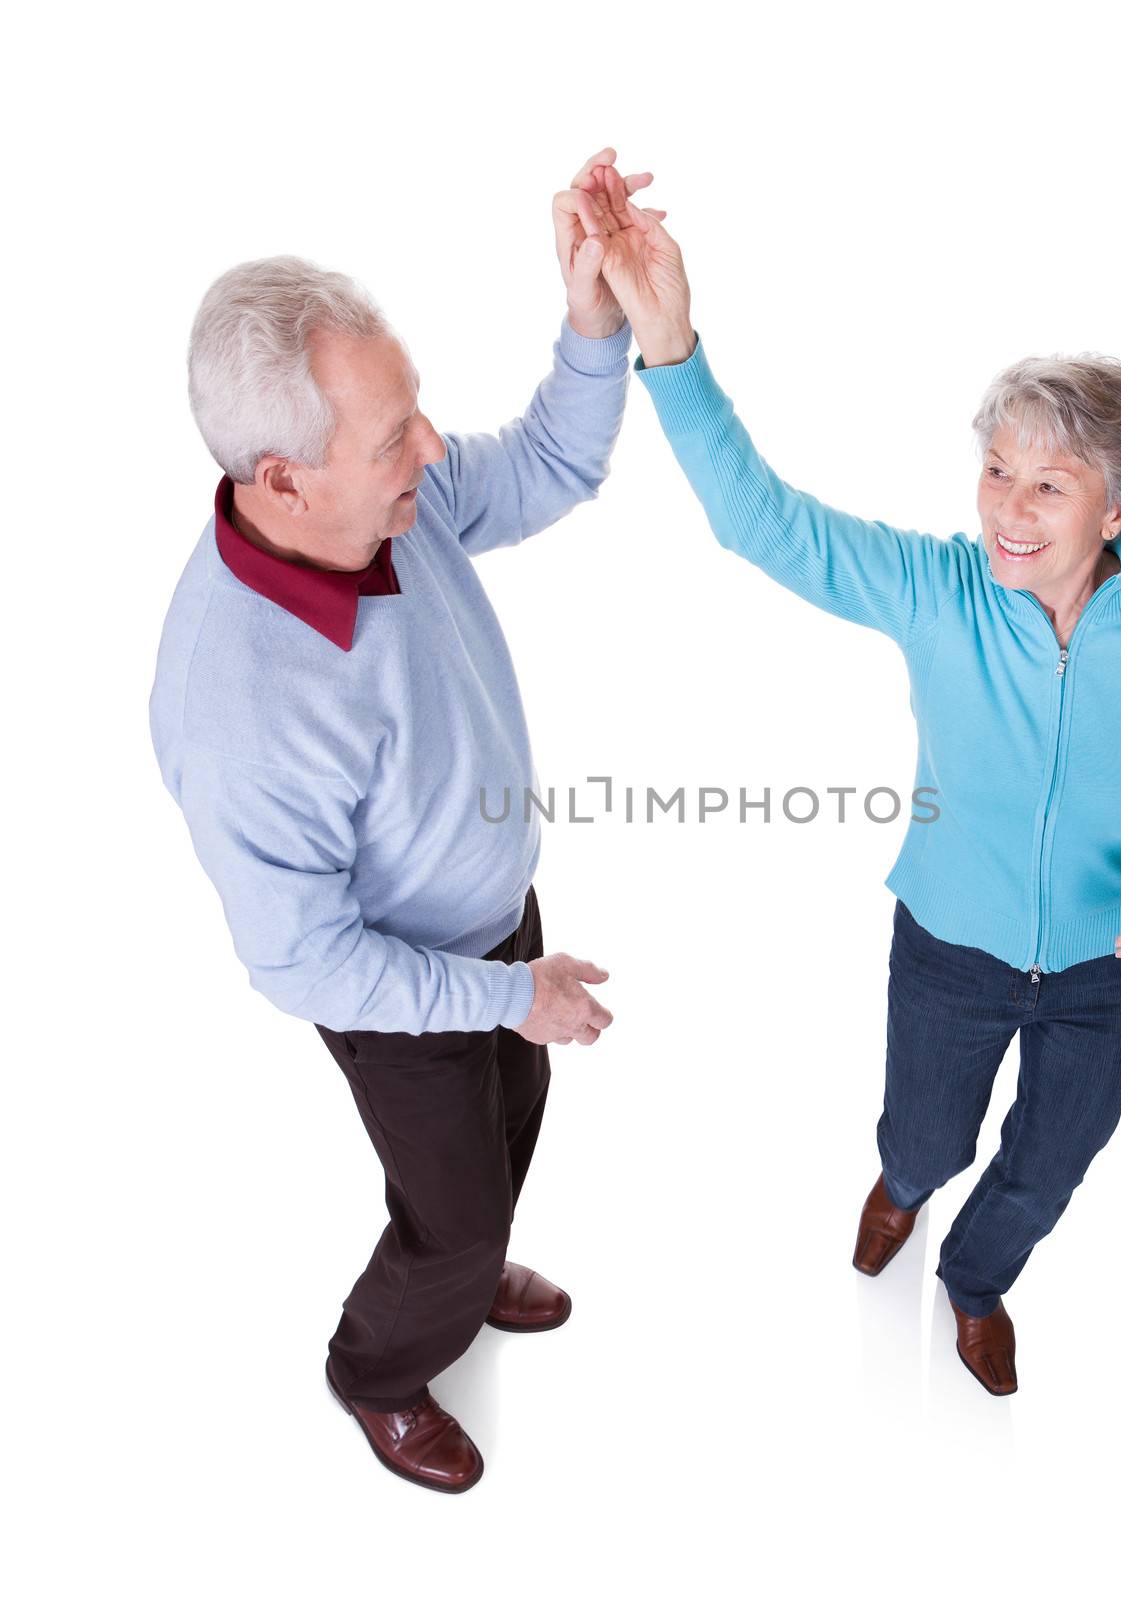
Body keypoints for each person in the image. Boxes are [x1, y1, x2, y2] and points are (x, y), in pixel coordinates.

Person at [589, 176, 1121, 1397]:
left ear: (1115, 507)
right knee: (926, 1135)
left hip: (1112, 968)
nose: (1006, 509)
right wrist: (669, 341)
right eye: (996, 471)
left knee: (1052, 1161)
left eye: (1046, 487)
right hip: (948, 943)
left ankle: (976, 1279)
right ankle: (901, 1189)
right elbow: (759, 520)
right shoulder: (934, 589)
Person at [149, 151, 664, 1490]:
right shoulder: (239, 703)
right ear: (281, 477)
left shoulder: (385, 505)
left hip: (497, 924)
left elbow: (550, 461)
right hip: (396, 988)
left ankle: (472, 1250)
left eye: (415, 412)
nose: (429, 452)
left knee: (519, 1104)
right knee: (450, 1207)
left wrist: (594, 318)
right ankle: (379, 1370)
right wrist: (499, 999)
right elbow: (303, 962)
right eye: (393, 438)